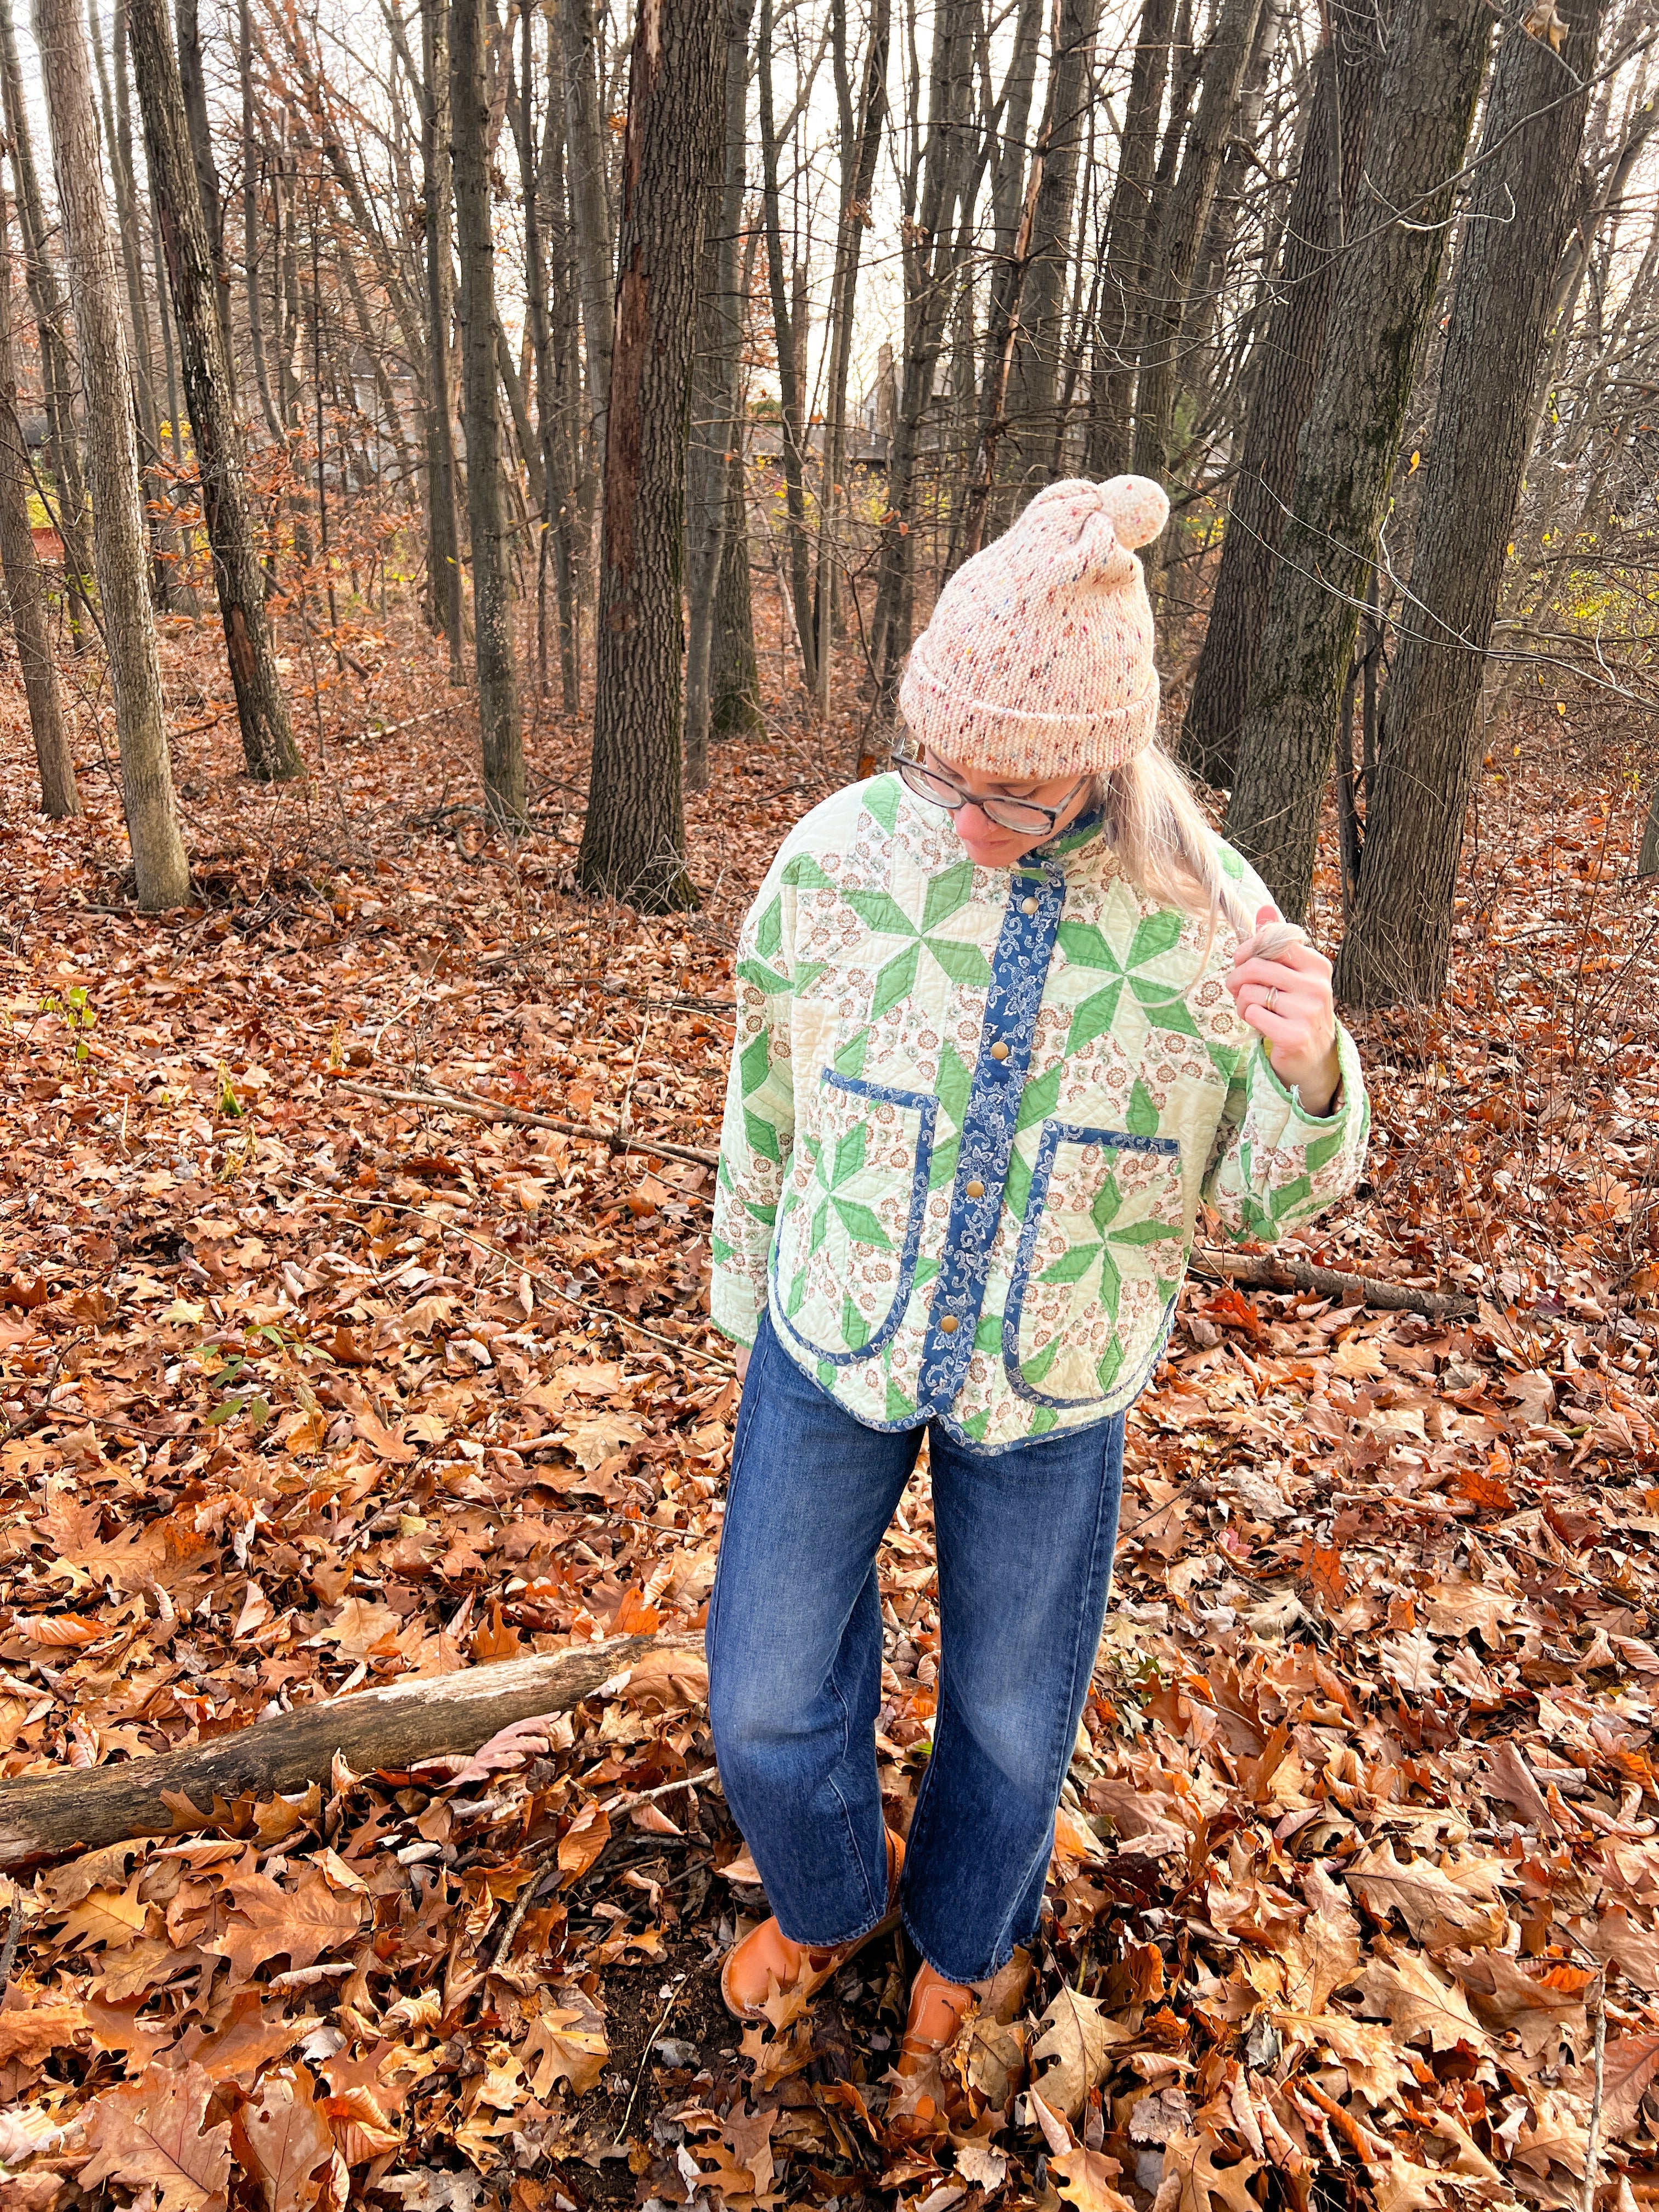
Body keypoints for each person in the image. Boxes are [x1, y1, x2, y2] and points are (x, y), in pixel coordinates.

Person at [704, 475, 1369, 2068]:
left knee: (1011, 1712)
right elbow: (764, 1089)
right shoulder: (843, 858)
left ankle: (966, 1937)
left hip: (1053, 1373)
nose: (962, 817)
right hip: (835, 1336)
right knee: (766, 1686)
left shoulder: (1210, 912)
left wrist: (1314, 1073)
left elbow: (1278, 1198)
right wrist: (747, 1291)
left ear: (1102, 762)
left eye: (1009, 790)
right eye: (943, 769)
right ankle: (826, 1896)